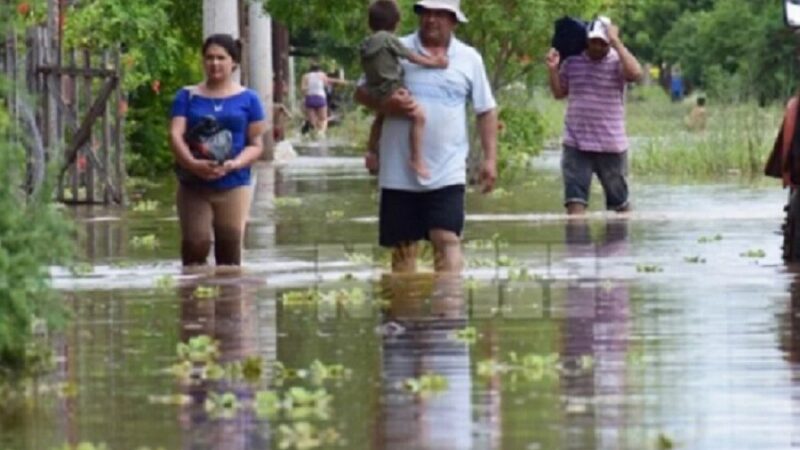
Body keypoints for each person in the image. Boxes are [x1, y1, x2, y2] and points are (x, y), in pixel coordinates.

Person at [355, 0, 498, 273]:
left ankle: (449, 310)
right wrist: (387, 106)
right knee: (404, 249)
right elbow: (361, 92)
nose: (432, 20)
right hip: (398, 171)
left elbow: (486, 110)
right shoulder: (394, 48)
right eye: (426, 13)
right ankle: (404, 312)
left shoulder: (469, 58)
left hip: (448, 169)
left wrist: (490, 159)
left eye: (440, 15)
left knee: (447, 238)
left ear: (454, 21)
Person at [169, 34, 267, 266]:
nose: (215, 63)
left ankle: (230, 300)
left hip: (234, 181)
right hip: (194, 183)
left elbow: (256, 144)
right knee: (195, 243)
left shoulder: (249, 99)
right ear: (203, 61)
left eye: (221, 58)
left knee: (230, 249)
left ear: (233, 62)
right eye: (209, 58)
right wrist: (192, 164)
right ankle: (192, 296)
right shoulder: (187, 96)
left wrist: (235, 164)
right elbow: (175, 134)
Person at [546, 16, 642, 215]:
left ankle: (619, 245)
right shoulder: (572, 63)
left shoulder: (618, 62)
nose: (597, 47)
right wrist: (553, 70)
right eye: (593, 42)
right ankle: (577, 245)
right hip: (576, 142)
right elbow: (559, 93)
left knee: (620, 204)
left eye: (602, 43)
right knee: (574, 201)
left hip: (610, 143)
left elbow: (635, 74)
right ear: (586, 40)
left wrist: (616, 42)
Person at [361, 0, 449, 178]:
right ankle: (417, 158)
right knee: (419, 116)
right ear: (396, 23)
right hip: (392, 88)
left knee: (380, 118)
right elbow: (412, 57)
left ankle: (371, 152)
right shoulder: (389, 40)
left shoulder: (366, 44)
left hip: (376, 91)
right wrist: (435, 63)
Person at [301, 63, 347, 137]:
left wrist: (308, 89)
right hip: (320, 98)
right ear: (319, 69)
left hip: (310, 99)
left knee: (312, 122)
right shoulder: (322, 75)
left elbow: (302, 89)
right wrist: (341, 81)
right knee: (323, 119)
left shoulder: (305, 76)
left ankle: (314, 133)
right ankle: (321, 133)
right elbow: (328, 82)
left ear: (309, 70)